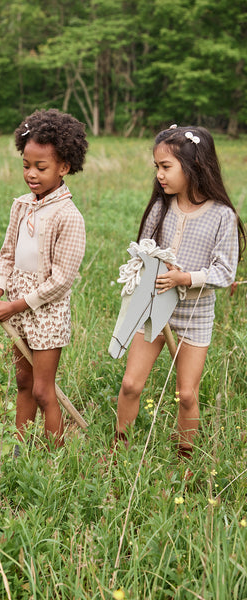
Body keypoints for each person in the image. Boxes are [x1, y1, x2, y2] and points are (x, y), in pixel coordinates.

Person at [114, 125, 246, 459]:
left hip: (195, 315)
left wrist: (183, 277)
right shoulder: (161, 209)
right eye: (156, 167)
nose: (159, 174)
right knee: (131, 383)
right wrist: (145, 268)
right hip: (155, 305)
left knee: (187, 393)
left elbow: (224, 271)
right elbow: (145, 251)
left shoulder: (222, 215)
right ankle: (119, 448)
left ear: (194, 166)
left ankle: (184, 459)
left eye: (166, 167)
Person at [0, 108, 88, 451]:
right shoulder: (21, 206)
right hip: (16, 306)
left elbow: (61, 281)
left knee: (44, 389)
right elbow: (8, 254)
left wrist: (15, 305)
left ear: (64, 167)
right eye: (26, 165)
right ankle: (18, 448)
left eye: (41, 168)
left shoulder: (68, 216)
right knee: (23, 381)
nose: (31, 174)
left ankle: (55, 458)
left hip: (46, 312)